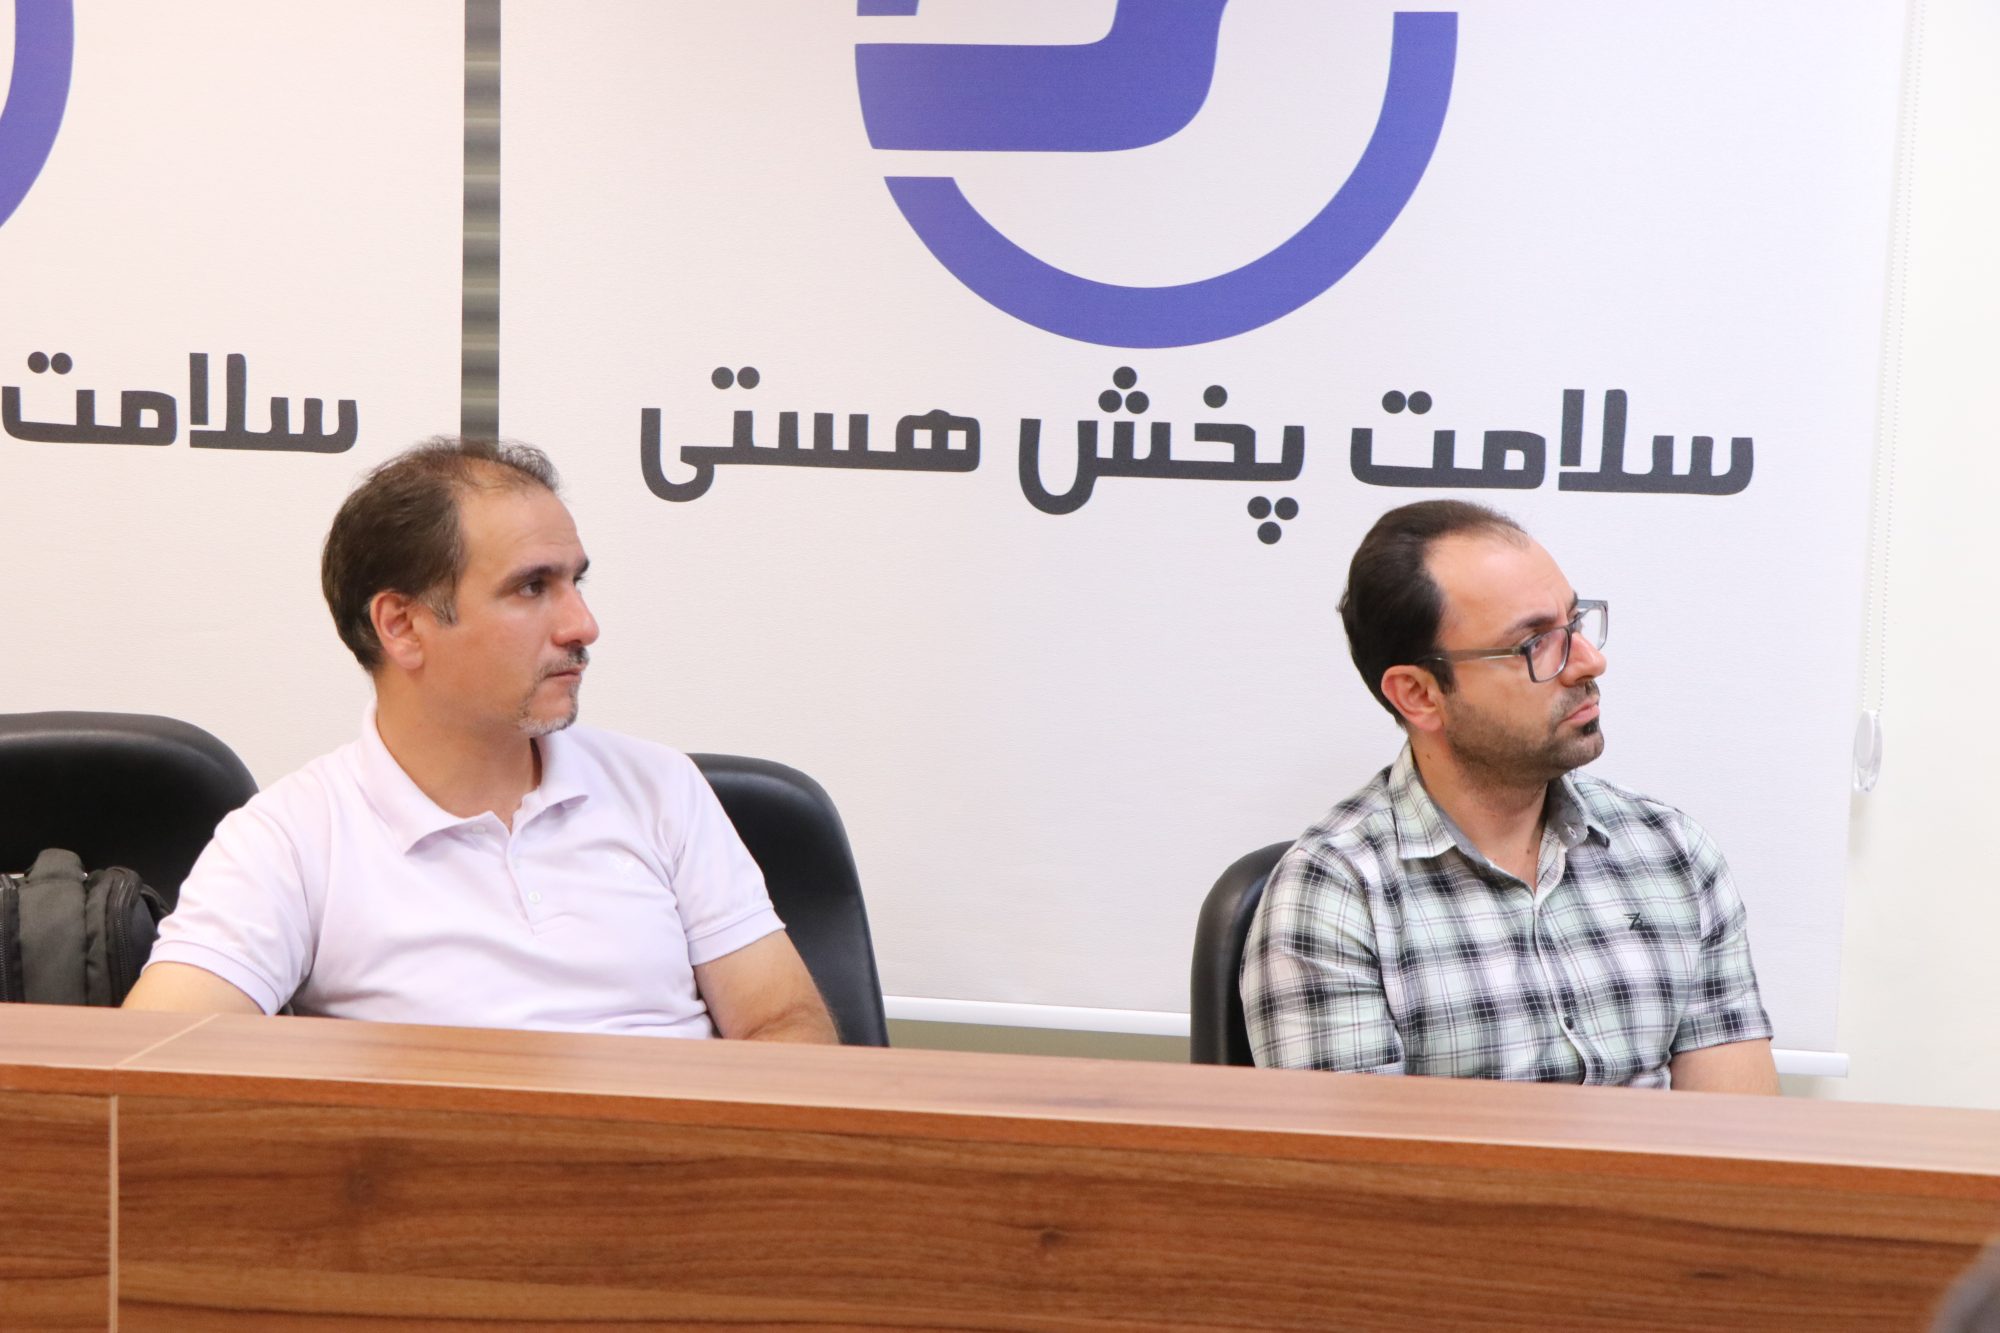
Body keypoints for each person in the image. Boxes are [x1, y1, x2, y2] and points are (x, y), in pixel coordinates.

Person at [124, 437, 837, 1043]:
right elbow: (151, 1059)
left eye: (576, 582)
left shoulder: (662, 788)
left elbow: (784, 1023)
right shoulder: (291, 838)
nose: (582, 625)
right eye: (532, 588)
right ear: (402, 626)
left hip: (685, 1158)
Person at [1241, 500, 1777, 1092]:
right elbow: (1353, 1152)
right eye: (1535, 643)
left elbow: (1737, 1129)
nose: (1590, 662)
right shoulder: (1336, 894)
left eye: (1575, 624)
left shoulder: (1670, 851)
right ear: (1419, 694)